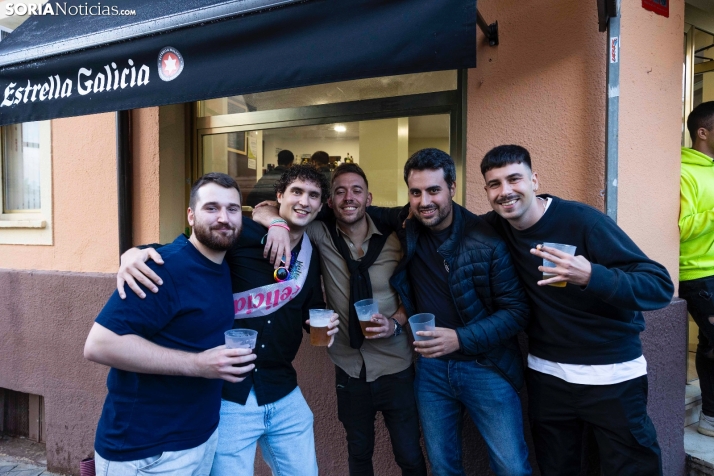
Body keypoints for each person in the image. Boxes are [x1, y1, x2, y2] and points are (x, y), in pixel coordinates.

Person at [116, 164, 338, 476]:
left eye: (313, 195)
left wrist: (319, 324)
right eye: (296, 192)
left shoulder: (309, 254)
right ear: (280, 197)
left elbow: (308, 308)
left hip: (284, 390)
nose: (304, 201)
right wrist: (136, 253)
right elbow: (186, 250)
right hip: (230, 396)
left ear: (320, 204)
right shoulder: (241, 232)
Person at [479, 144, 674, 475]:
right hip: (548, 377)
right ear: (486, 191)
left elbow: (659, 286)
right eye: (495, 184)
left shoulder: (584, 222)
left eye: (514, 179)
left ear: (534, 180)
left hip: (612, 374)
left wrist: (590, 275)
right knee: (557, 467)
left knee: (633, 468)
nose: (506, 191)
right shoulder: (496, 227)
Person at [367, 149, 532, 476]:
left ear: (452, 188)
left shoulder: (486, 240)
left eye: (433, 190)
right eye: (416, 192)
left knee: (511, 467)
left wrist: (460, 338)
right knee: (442, 467)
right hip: (431, 371)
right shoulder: (408, 225)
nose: (424, 201)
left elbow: (517, 311)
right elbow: (353, 209)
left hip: (486, 366)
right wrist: (273, 216)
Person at [254, 163, 427, 475]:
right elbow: (267, 207)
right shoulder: (319, 232)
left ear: (369, 198)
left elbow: (418, 292)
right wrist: (276, 223)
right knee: (358, 454)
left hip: (395, 366)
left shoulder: (397, 238)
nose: (349, 197)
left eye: (357, 190)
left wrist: (397, 321)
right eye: (340, 191)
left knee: (410, 455)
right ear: (329, 202)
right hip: (349, 367)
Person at [84, 173, 257, 475]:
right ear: (190, 215)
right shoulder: (160, 268)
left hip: (200, 439)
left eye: (232, 209)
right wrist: (199, 364)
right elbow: (99, 344)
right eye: (211, 208)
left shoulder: (224, 264)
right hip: (146, 452)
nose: (223, 218)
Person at [680, 101, 714, 437]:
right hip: (698, 274)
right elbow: (683, 227)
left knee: (709, 345)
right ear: (702, 133)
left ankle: (710, 418)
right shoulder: (683, 171)